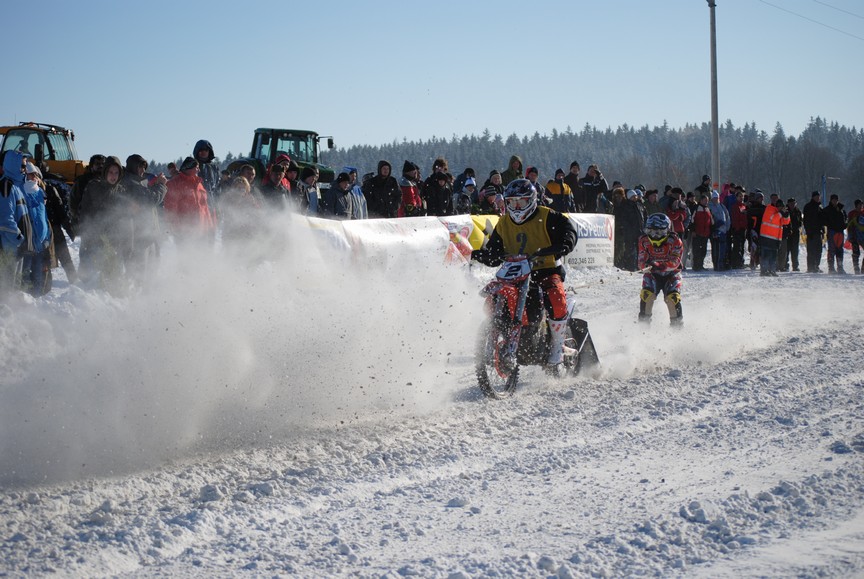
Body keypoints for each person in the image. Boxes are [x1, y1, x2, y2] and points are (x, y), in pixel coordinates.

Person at [470, 179, 578, 370]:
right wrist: (480, 254)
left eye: (521, 202)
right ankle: (501, 333)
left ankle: (556, 347)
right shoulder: (503, 223)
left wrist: (565, 242)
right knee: (495, 297)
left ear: (532, 200)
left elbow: (568, 231)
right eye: (512, 202)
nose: (517, 206)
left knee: (555, 296)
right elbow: (494, 252)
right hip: (514, 273)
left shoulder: (548, 215)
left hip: (545, 269)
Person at [77, 156, 135, 285]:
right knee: (91, 279)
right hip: (94, 241)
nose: (113, 176)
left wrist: (128, 244)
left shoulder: (122, 192)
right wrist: (86, 235)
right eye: (110, 172)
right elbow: (84, 212)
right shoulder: (93, 187)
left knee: (114, 279)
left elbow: (127, 220)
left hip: (115, 243)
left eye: (116, 173)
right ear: (105, 172)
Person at [121, 154, 167, 282]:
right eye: (140, 167)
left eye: (144, 167)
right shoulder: (130, 183)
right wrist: (161, 186)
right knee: (141, 275)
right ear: (132, 167)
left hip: (147, 235)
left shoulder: (137, 182)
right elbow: (150, 200)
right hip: (139, 238)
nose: (143, 170)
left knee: (150, 271)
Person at [637, 213, 684, 325]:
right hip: (652, 273)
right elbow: (641, 262)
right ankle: (643, 328)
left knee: (672, 298)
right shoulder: (643, 240)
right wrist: (646, 265)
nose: (654, 236)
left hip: (671, 273)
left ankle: (677, 328)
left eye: (658, 232)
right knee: (647, 295)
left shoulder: (675, 240)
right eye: (651, 232)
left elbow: (676, 262)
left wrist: (660, 265)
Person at [162, 157, 214, 245]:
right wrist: (176, 226)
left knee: (202, 256)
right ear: (188, 167)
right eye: (196, 167)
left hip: (201, 229)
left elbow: (204, 207)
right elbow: (170, 206)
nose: (198, 169)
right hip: (184, 230)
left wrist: (209, 224)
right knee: (186, 256)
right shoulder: (175, 183)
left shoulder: (199, 184)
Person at [0, 151, 30, 293]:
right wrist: (19, 239)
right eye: (22, 166)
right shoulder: (6, 187)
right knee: (7, 286)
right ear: (13, 165)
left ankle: (12, 312)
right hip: (8, 247)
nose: (25, 169)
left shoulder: (16, 187)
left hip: (16, 246)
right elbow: (5, 220)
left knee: (15, 286)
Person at [69, 154, 105, 228]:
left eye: (103, 164)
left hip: (103, 222)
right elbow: (73, 201)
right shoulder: (82, 181)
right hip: (86, 222)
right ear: (91, 166)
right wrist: (78, 218)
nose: (100, 166)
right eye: (97, 164)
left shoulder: (108, 181)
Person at [614, 189, 647, 271]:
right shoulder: (626, 206)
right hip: (630, 232)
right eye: (633, 196)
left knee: (640, 250)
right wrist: (628, 230)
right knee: (630, 250)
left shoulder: (639, 205)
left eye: (635, 196)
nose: (635, 198)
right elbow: (625, 220)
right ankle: (629, 266)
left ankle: (638, 265)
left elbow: (644, 217)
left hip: (640, 231)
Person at [759, 198, 790, 277]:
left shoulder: (779, 213)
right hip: (766, 237)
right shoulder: (769, 209)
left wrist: (786, 215)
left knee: (773, 256)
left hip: (775, 239)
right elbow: (773, 220)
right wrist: (781, 213)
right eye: (781, 207)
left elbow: (785, 222)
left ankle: (772, 270)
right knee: (766, 255)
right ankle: (764, 271)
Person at [823, 193, 847, 274]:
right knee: (832, 249)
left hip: (840, 231)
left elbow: (845, 219)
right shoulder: (827, 209)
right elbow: (824, 220)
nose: (835, 201)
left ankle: (840, 267)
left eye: (836, 200)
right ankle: (831, 268)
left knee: (840, 249)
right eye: (833, 200)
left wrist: (844, 225)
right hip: (832, 231)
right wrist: (829, 225)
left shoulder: (841, 210)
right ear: (831, 200)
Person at [802, 191, 824, 273]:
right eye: (816, 196)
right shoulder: (808, 207)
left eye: (818, 196)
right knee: (811, 250)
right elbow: (806, 221)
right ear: (813, 197)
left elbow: (822, 220)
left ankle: (816, 266)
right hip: (811, 232)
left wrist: (822, 230)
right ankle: (811, 267)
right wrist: (808, 231)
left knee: (819, 250)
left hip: (818, 232)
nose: (818, 198)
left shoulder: (820, 207)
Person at [691, 194, 714, 271]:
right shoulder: (696, 208)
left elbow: (711, 221)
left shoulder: (708, 209)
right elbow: (692, 220)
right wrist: (693, 230)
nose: (706, 202)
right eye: (705, 200)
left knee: (703, 250)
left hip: (706, 233)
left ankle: (701, 265)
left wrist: (711, 230)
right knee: (696, 250)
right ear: (701, 201)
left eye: (707, 201)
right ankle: (696, 266)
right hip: (697, 232)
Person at [779, 197, 802, 272]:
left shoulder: (798, 211)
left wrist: (798, 226)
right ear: (788, 204)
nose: (792, 205)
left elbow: (800, 221)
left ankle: (795, 266)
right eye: (791, 203)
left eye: (794, 203)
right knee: (786, 250)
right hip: (787, 233)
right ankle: (785, 265)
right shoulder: (785, 211)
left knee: (795, 251)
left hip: (795, 233)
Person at [727, 188, 748, 269]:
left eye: (742, 196)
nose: (741, 198)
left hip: (743, 229)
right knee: (737, 247)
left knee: (742, 246)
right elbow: (734, 218)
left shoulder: (743, 206)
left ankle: (740, 262)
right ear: (736, 197)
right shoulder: (735, 206)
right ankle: (736, 263)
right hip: (737, 229)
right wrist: (737, 227)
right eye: (740, 196)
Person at [708, 191, 730, 270]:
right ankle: (716, 265)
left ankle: (722, 264)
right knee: (716, 249)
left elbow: (727, 217)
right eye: (714, 198)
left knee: (723, 248)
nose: (716, 199)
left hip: (723, 231)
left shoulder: (722, 206)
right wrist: (715, 226)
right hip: (715, 231)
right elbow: (710, 219)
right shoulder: (710, 206)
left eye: (717, 198)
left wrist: (727, 227)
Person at [746, 191, 766, 271]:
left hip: (762, 230)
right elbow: (749, 217)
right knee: (754, 247)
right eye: (759, 198)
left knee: (761, 247)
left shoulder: (764, 207)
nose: (760, 199)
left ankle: (759, 262)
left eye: (761, 198)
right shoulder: (752, 208)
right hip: (754, 229)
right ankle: (752, 262)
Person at [847, 199, 863, 274]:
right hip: (854, 235)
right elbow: (849, 225)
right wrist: (851, 235)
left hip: (862, 236)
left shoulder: (863, 212)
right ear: (856, 205)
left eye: (862, 205)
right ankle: (856, 268)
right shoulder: (852, 213)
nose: (861, 206)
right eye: (859, 205)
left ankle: (863, 269)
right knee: (856, 252)